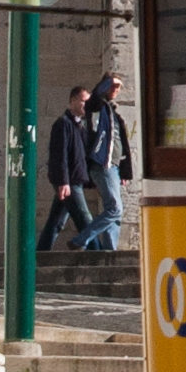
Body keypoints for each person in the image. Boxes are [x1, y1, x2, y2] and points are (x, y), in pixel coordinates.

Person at [36, 84, 98, 252]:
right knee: (85, 220)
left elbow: (82, 158)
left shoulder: (80, 128)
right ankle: (97, 254)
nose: (87, 106)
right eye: (84, 102)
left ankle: (41, 254)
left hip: (73, 180)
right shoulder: (63, 124)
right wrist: (63, 182)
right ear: (73, 101)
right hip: (69, 181)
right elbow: (59, 155)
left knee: (56, 221)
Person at [76, 72, 133, 248]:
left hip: (113, 166)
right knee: (114, 209)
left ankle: (110, 250)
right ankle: (81, 239)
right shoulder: (98, 106)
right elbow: (92, 100)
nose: (116, 89)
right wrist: (107, 82)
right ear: (105, 85)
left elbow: (120, 143)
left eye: (118, 87)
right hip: (103, 165)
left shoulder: (112, 111)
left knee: (114, 211)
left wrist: (123, 170)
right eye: (113, 85)